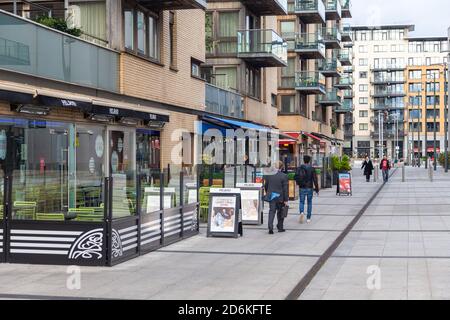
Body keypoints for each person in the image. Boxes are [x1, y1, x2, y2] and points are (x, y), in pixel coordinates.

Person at [264, 161, 289, 234]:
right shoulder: (284, 176)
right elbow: (285, 189)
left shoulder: (269, 175)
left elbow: (266, 186)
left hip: (272, 196)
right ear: (282, 167)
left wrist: (268, 193)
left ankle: (270, 227)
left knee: (272, 211)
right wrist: (286, 199)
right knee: (280, 212)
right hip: (280, 197)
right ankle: (280, 227)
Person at [295, 155, 319, 224]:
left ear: (303, 160)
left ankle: (301, 212)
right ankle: (308, 218)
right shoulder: (312, 169)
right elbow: (315, 179)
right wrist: (316, 189)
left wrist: (298, 183)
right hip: (309, 187)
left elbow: (296, 176)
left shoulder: (299, 168)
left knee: (301, 201)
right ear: (309, 160)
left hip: (302, 187)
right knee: (309, 202)